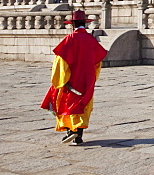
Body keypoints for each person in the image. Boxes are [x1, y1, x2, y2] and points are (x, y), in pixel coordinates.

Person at [40, 10, 108, 145]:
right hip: (87, 78)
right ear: (85, 24)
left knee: (68, 104)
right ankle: (79, 135)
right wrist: (93, 77)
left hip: (72, 79)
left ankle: (71, 131)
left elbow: (61, 61)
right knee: (83, 104)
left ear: (73, 24)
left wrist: (60, 80)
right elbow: (98, 62)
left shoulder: (70, 39)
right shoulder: (91, 40)